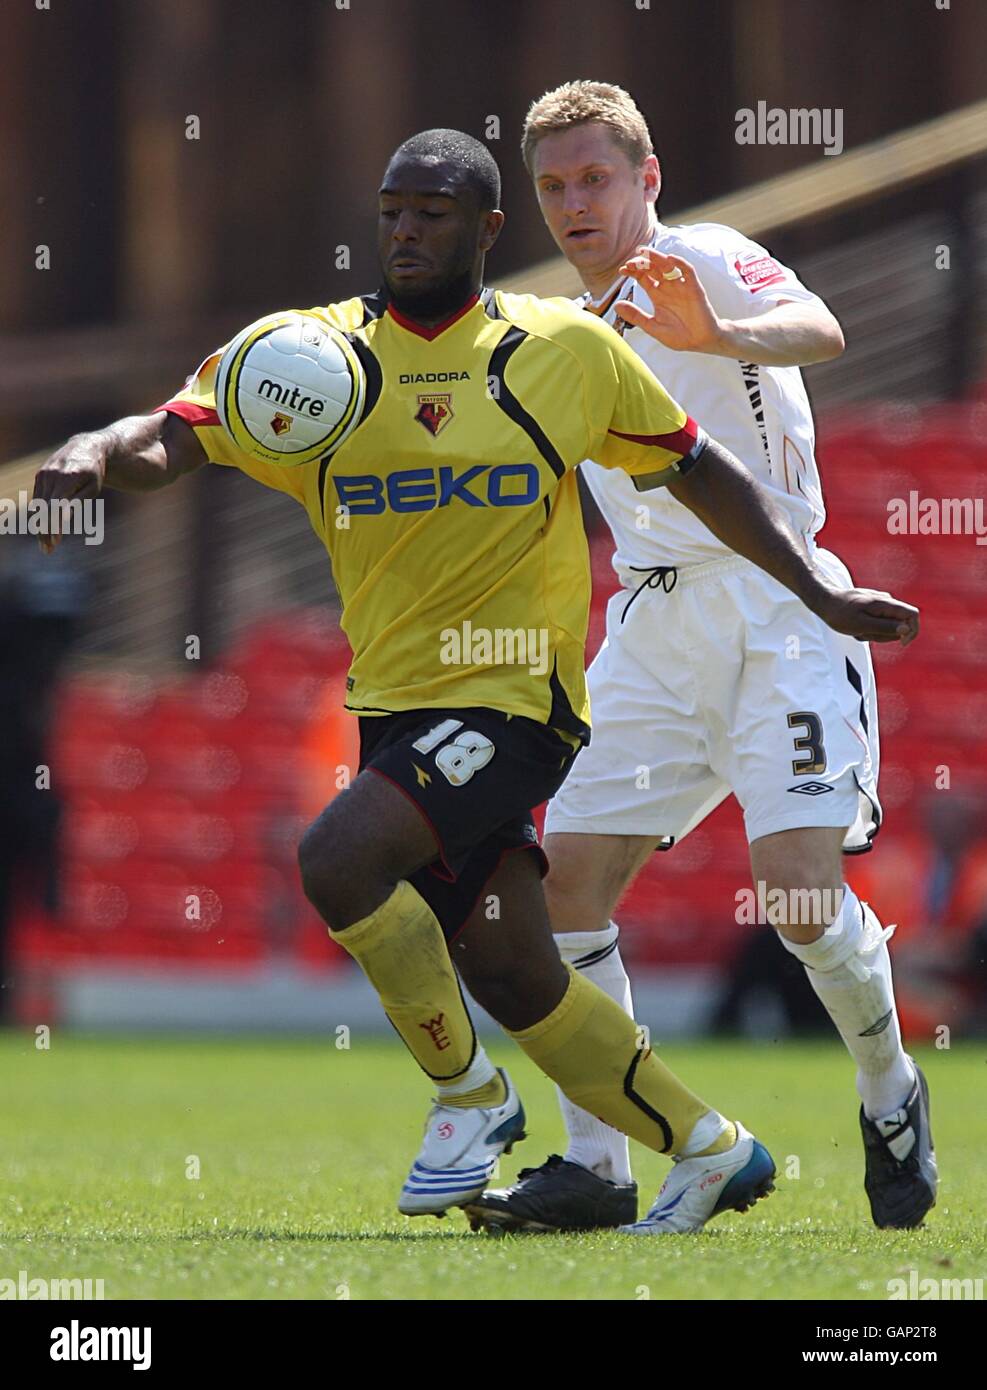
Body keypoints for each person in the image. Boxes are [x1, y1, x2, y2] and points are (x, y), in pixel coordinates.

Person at [33, 129, 919, 1234]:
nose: (406, 232)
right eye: (392, 211)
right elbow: (184, 430)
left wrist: (821, 586)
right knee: (521, 961)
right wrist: (98, 446)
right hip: (460, 680)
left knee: (345, 854)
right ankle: (691, 1149)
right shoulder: (316, 362)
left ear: (488, 230)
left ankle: (483, 1095)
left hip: (529, 694)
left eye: (434, 213)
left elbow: (722, 447)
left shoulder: (579, 338)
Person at [467, 83, 937, 1236]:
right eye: (555, 186)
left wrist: (716, 332)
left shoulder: (705, 259)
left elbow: (820, 328)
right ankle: (600, 1163)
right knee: (556, 885)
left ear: (648, 178)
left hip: (778, 609)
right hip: (653, 626)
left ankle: (889, 1088)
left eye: (597, 178)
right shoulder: (553, 331)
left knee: (794, 897)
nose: (577, 203)